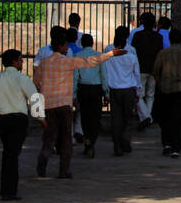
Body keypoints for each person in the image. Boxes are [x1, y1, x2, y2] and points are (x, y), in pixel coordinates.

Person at [33, 27, 125, 180]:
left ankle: (43, 160)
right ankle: (64, 171)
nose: (68, 47)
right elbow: (90, 61)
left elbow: (35, 84)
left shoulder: (44, 64)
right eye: (65, 45)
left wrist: (38, 111)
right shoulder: (68, 61)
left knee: (50, 136)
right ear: (61, 47)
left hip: (48, 105)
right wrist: (110, 54)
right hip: (64, 104)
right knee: (66, 138)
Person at [0, 49, 39, 202]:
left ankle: (6, 188)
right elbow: (34, 97)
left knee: (9, 152)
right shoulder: (22, 78)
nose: (22, 62)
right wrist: (41, 117)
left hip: (3, 119)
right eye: (21, 59)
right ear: (15, 62)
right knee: (13, 154)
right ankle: (10, 190)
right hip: (18, 119)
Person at [152, 29, 181, 158]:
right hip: (179, 89)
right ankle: (176, 147)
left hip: (165, 89)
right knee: (178, 120)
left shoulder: (163, 53)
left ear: (169, 39)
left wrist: (160, 84)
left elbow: (156, 71)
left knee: (165, 118)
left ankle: (167, 144)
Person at [104, 26, 142, 156]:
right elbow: (136, 73)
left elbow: (105, 71)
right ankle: (125, 140)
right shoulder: (131, 53)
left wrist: (106, 91)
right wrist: (138, 90)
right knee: (127, 118)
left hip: (114, 88)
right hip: (128, 89)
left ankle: (117, 144)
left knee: (116, 119)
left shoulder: (108, 51)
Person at [73, 34, 108, 158]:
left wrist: (73, 94)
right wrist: (106, 93)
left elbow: (75, 77)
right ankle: (91, 141)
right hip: (96, 89)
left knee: (85, 116)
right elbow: (103, 75)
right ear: (92, 43)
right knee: (95, 117)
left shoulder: (77, 56)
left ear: (81, 44)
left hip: (83, 88)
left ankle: (87, 138)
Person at [129, 12, 163, 127]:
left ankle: (146, 117)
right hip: (153, 68)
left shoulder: (138, 35)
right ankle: (147, 117)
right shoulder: (158, 37)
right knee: (150, 94)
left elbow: (133, 52)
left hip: (141, 68)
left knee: (139, 94)